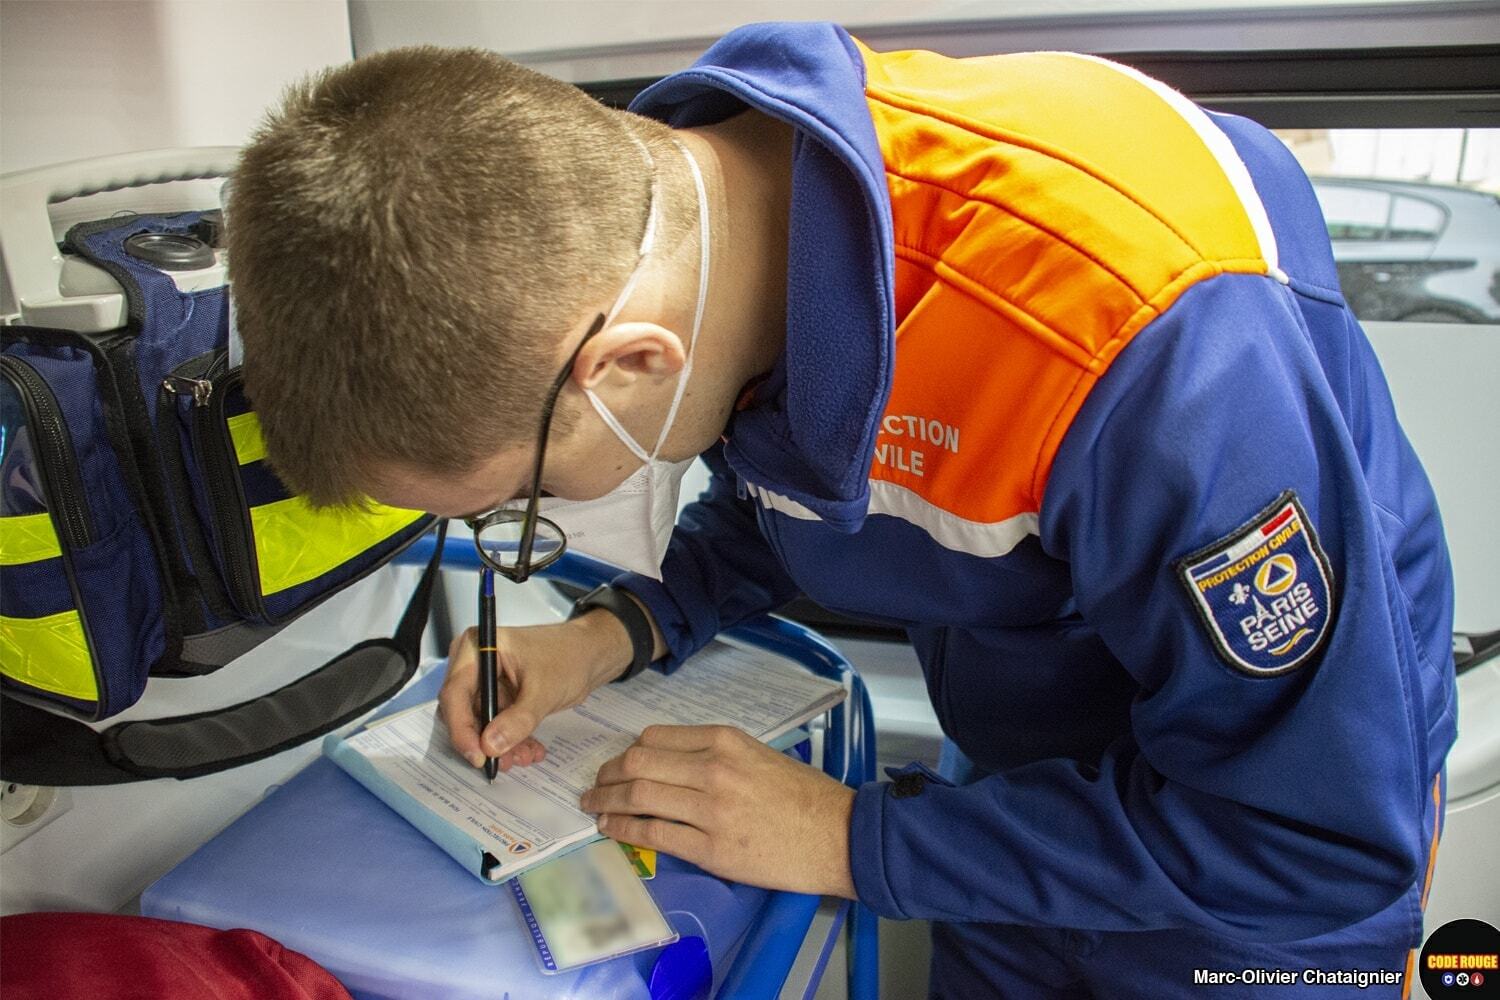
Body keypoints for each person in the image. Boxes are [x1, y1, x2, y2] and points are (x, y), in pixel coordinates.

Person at [227, 23, 1455, 998]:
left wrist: (853, 843)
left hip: (1268, 830)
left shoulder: (1151, 355)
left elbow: (1316, 842)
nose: (525, 537)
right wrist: (615, 630)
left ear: (628, 368)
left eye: (519, 508)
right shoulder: (720, 227)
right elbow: (808, 494)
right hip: (1021, 764)